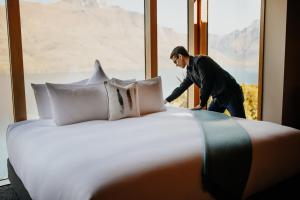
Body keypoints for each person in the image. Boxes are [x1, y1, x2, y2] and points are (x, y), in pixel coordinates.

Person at [165, 46, 246, 118]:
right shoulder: (190, 72)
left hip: (231, 93)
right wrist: (166, 100)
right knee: (208, 120)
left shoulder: (201, 61)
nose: (176, 64)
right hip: (218, 97)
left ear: (180, 56)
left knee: (241, 123)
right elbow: (181, 88)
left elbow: (206, 83)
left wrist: (201, 104)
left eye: (175, 61)